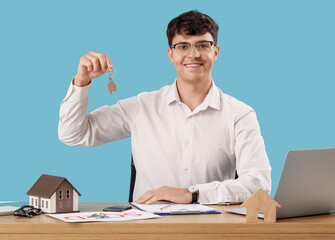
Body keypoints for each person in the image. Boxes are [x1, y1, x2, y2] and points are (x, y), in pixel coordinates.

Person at [58, 10, 271, 205]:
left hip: (211, 228)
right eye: (183, 46)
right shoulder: (141, 106)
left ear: (215, 52)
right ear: (171, 54)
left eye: (203, 45)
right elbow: (73, 134)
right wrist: (81, 81)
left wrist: (192, 193)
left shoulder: (240, 114)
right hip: (148, 229)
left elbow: (259, 185)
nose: (193, 54)